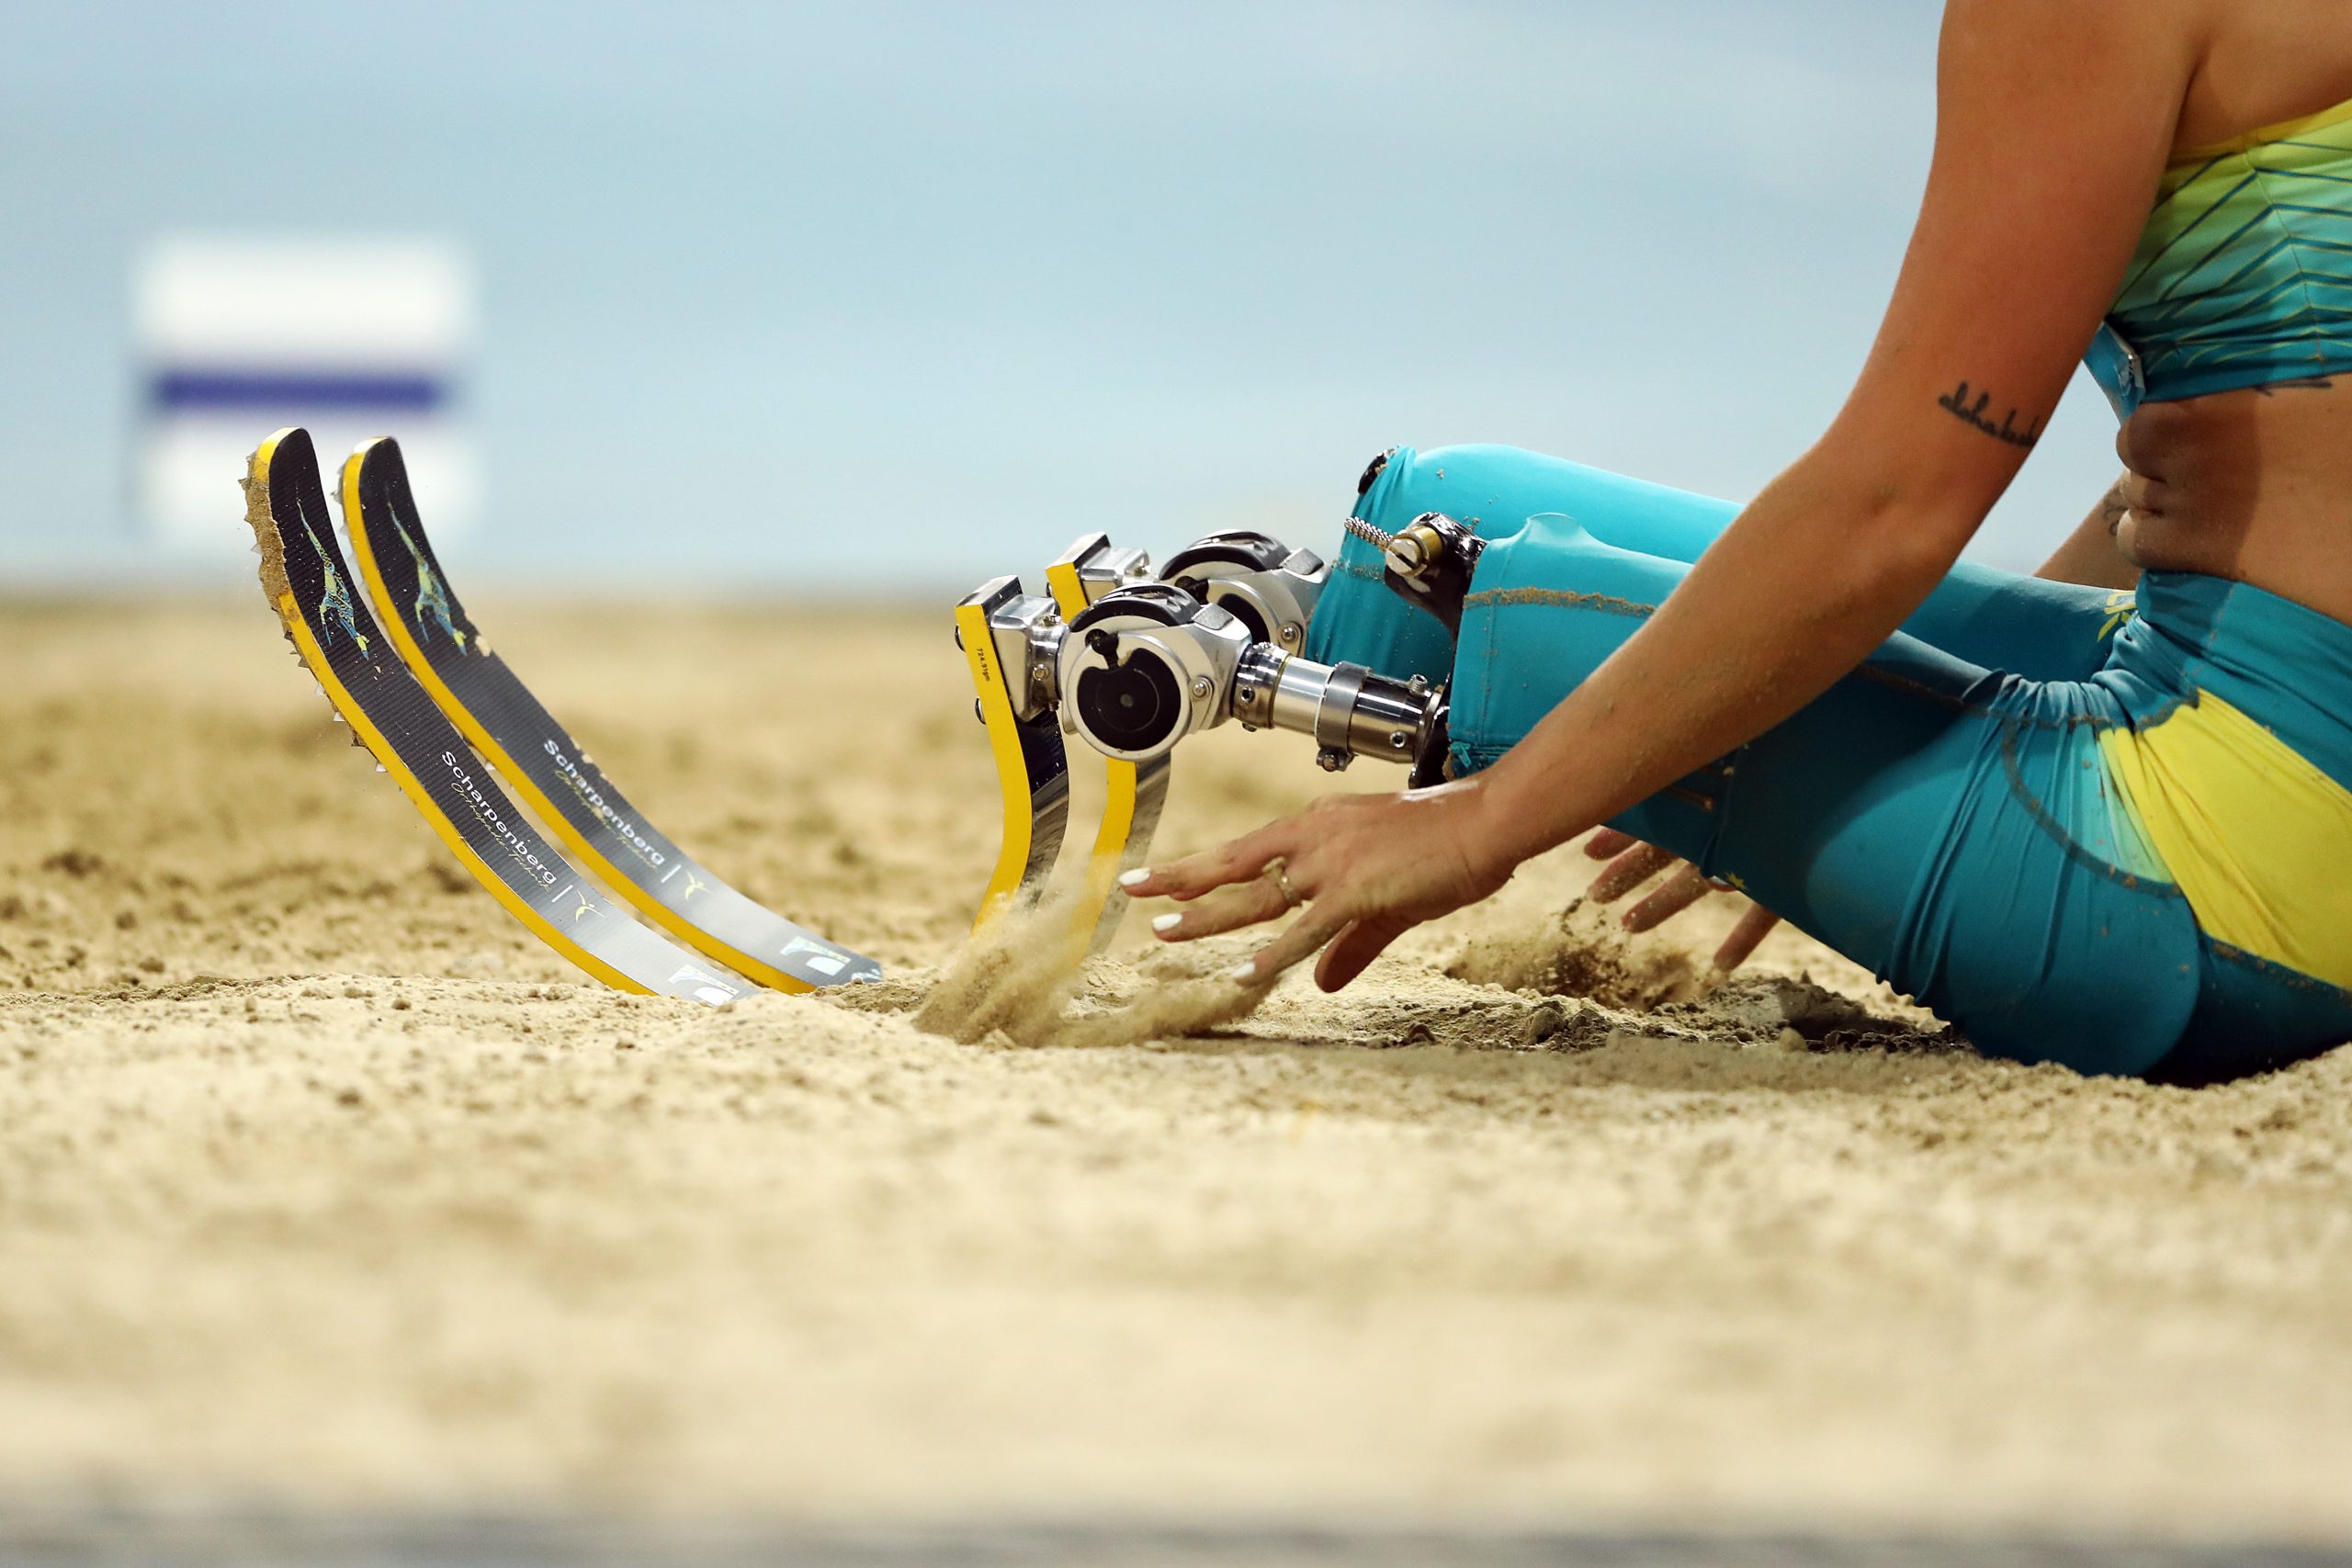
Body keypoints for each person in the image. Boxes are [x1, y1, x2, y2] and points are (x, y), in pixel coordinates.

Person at [1120, 0, 2352, 1082]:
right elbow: (2263, 456)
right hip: (2289, 755)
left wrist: (1482, 820)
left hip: (2240, 891)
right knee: (1440, 511)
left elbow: (1891, 509)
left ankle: (1161, 674)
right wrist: (1837, 692)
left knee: (1485, 601)